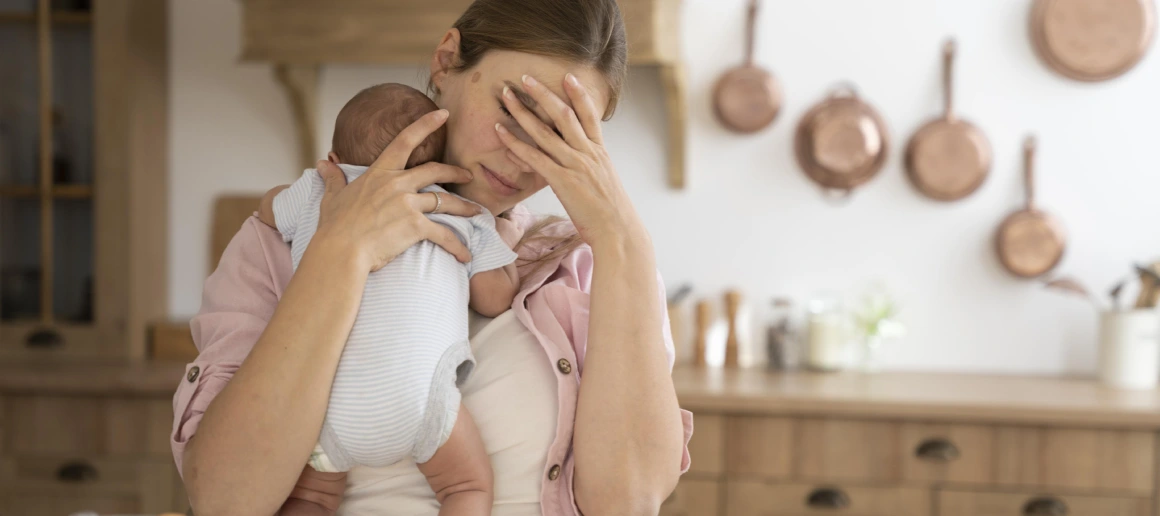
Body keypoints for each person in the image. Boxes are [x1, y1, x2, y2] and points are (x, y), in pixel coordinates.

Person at [171, 1, 693, 514]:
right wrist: (340, 254)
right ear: (446, 62)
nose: (522, 155)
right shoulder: (282, 242)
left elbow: (626, 501)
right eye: (517, 108)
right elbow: (224, 500)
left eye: (562, 135)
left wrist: (623, 236)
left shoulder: (591, 271)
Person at [258, 81, 522, 515]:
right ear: (438, 166)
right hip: (419, 401)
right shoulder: (456, 211)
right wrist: (502, 234)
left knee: (311, 498)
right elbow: (496, 299)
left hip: (322, 402)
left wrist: (310, 184)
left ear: (334, 159)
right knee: (466, 489)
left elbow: (267, 210)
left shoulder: (320, 192)